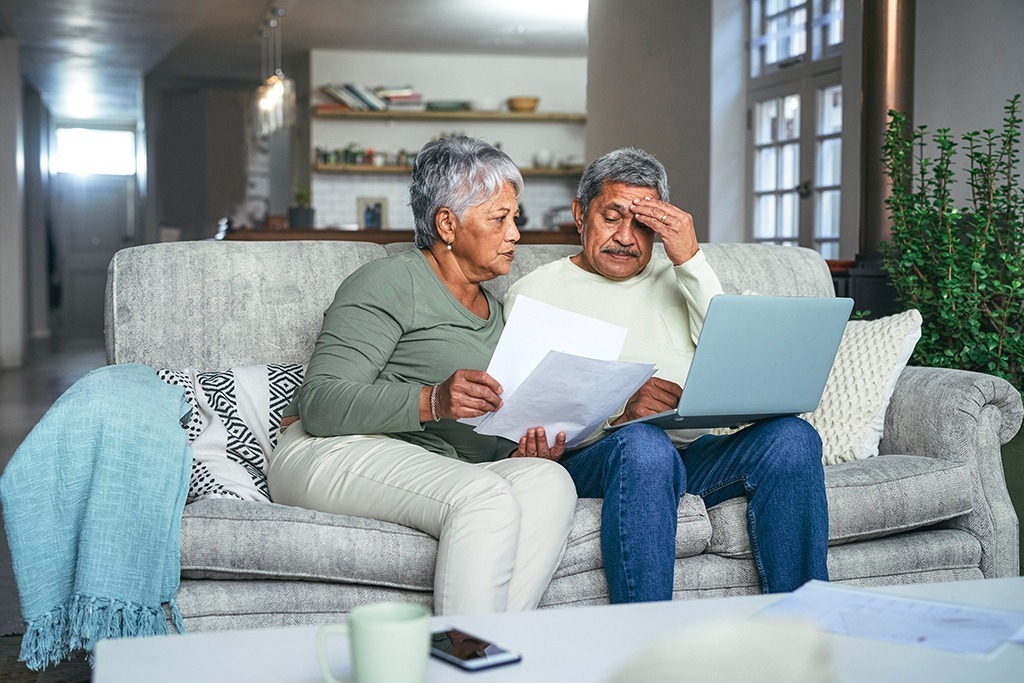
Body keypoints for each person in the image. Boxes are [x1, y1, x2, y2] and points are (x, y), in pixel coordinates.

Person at [268, 136, 577, 616]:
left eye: (515, 218)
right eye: (500, 218)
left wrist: (519, 449)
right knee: (484, 497)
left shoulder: (499, 317)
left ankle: (486, 652)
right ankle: (467, 653)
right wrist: (432, 401)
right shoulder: (391, 281)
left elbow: (478, 442)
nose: (515, 233)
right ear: (447, 224)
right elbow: (321, 403)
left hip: (439, 468)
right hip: (332, 450)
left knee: (549, 481)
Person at [505, 147, 828, 603]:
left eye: (643, 224)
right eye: (612, 217)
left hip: (691, 453)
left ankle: (808, 624)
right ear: (580, 215)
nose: (626, 238)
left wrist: (690, 259)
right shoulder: (535, 293)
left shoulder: (683, 275)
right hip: (599, 457)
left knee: (793, 438)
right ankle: (645, 637)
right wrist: (621, 416)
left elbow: (735, 362)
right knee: (644, 444)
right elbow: (524, 416)